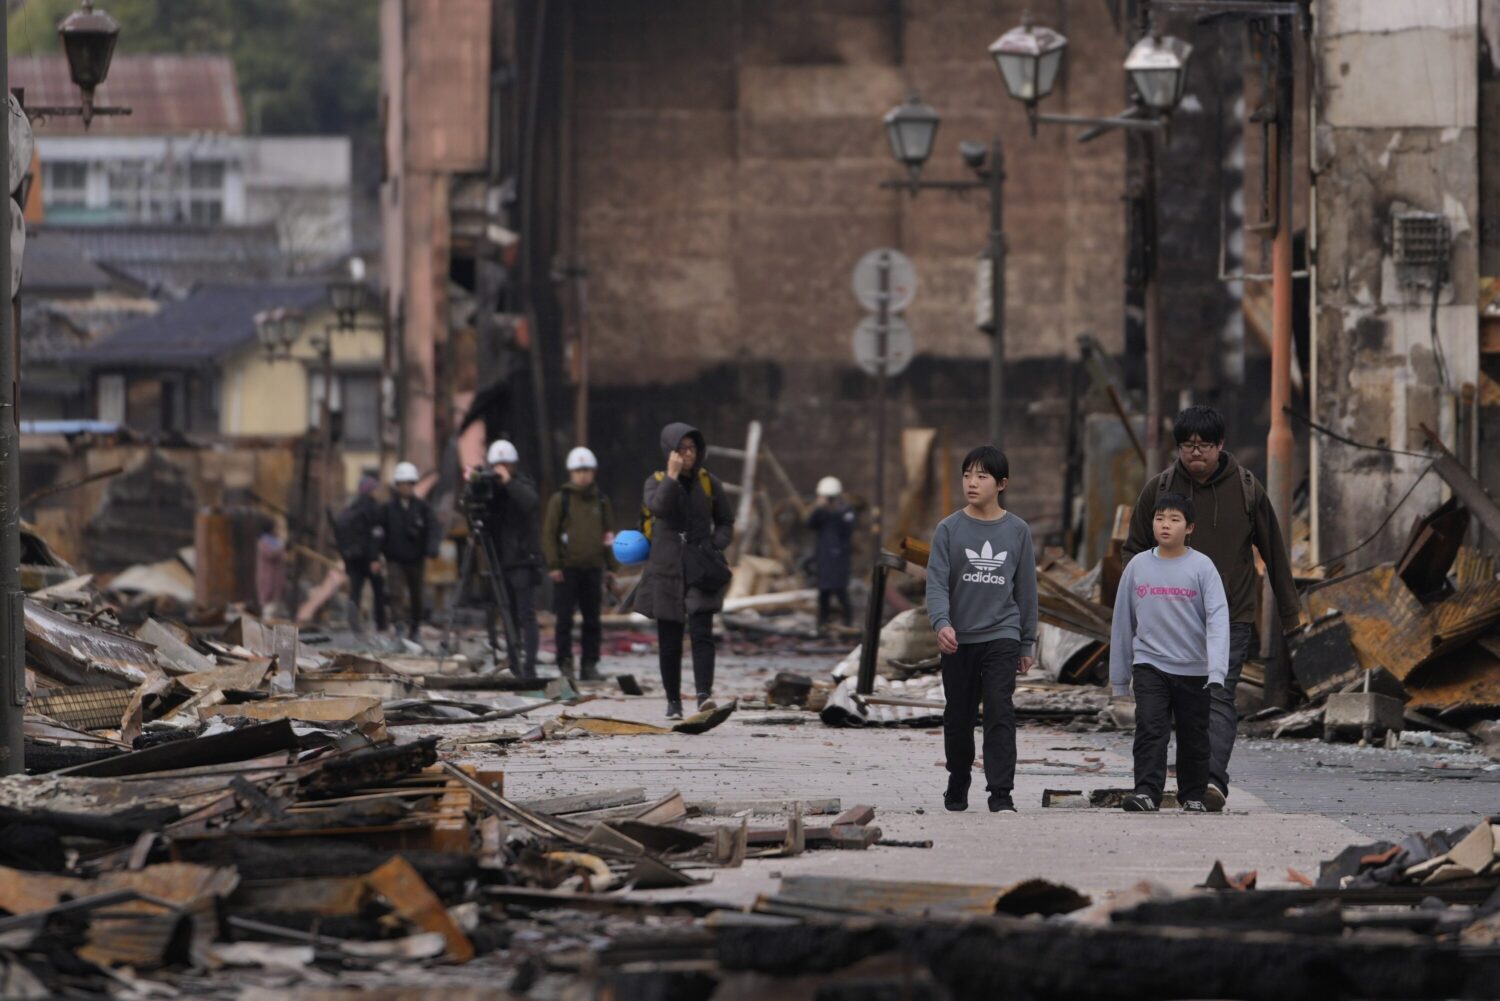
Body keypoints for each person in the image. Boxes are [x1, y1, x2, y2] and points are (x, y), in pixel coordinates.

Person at [1121, 405, 1302, 811]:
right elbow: (1132, 550)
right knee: (1160, 706)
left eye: (1204, 446)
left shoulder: (1247, 489)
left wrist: (1291, 616)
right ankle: (1153, 785)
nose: (1195, 453)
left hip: (1230, 617)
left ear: (1221, 445)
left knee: (1217, 696)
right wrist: (1137, 605)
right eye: (1187, 446)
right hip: (1167, 620)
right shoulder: (1160, 489)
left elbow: (1273, 552)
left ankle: (1210, 783)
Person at [926, 445, 1037, 814]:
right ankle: (958, 778)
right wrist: (942, 623)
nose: (972, 483)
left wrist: (1026, 641)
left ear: (1001, 483)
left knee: (1000, 712)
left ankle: (1001, 792)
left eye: (982, 476)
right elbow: (937, 584)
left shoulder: (1017, 531)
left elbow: (1025, 590)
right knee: (958, 715)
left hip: (1001, 634)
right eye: (967, 475)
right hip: (959, 639)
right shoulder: (949, 529)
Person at [1110, 492, 1230, 813]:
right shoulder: (1138, 566)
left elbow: (1218, 619)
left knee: (1194, 736)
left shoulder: (1202, 567)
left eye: (1174, 520)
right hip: (1150, 664)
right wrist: (1119, 680)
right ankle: (1147, 791)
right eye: (1160, 518)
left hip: (1194, 670)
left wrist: (1217, 669)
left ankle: (1192, 794)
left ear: (1189, 527)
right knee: (1150, 728)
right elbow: (1122, 621)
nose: (1165, 525)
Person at [634, 422, 734, 719]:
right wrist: (673, 476)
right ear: (669, 452)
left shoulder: (709, 482)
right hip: (666, 568)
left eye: (692, 448)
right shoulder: (655, 481)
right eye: (681, 449)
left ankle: (704, 695)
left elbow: (726, 521)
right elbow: (659, 508)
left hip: (700, 567)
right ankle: (673, 701)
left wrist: (715, 545)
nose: (688, 454)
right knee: (670, 638)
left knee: (702, 633)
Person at [542, 446, 618, 682]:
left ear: (593, 472)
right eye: (577, 470)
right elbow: (549, 534)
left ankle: (589, 665)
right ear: (571, 473)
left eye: (586, 470)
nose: (582, 475)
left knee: (592, 620)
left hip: (593, 569)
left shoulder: (602, 501)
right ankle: (565, 664)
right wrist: (554, 564)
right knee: (564, 619)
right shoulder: (561, 500)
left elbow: (608, 535)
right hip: (567, 570)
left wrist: (611, 567)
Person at [483, 439, 543, 679]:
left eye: (505, 464)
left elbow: (530, 503)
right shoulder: (491, 490)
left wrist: (507, 482)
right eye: (497, 465)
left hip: (522, 559)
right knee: (506, 614)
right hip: (499, 560)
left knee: (525, 614)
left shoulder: (522, 484)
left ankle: (529, 665)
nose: (501, 469)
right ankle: (514, 663)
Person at [383, 461, 442, 640]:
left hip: (416, 558)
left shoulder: (423, 508)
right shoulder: (388, 509)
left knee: (417, 593)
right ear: (398, 485)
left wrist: (432, 547)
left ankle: (415, 626)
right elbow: (379, 531)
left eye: (410, 483)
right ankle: (399, 625)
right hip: (394, 557)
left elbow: (433, 527)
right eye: (403, 483)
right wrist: (375, 555)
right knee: (395, 593)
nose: (407, 487)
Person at [334, 473, 387, 632]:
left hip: (353, 558)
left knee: (355, 590)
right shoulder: (373, 508)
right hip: (370, 559)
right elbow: (375, 535)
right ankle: (381, 625)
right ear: (370, 490)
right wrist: (374, 558)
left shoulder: (351, 507)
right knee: (378, 591)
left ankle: (353, 618)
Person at [807, 476, 856, 631]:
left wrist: (832, 510)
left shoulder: (845, 510)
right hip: (824, 557)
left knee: (840, 590)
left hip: (840, 558)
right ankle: (822, 622)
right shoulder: (821, 512)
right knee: (823, 592)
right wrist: (819, 508)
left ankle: (848, 621)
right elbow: (810, 524)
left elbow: (848, 528)